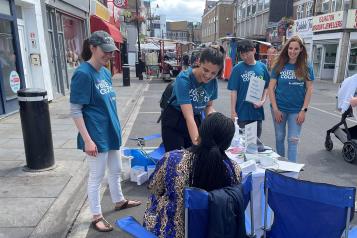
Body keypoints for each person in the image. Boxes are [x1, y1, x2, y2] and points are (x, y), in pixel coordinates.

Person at [69, 31, 141, 232]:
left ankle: (119, 201)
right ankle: (96, 215)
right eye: (106, 51)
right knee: (97, 176)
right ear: (93, 48)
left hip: (110, 131)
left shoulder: (105, 72)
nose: (109, 56)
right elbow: (76, 110)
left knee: (116, 169)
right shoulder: (83, 73)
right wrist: (87, 140)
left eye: (112, 52)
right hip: (95, 135)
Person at [144, 112, 242, 238]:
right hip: (215, 231)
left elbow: (154, 188)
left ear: (200, 134)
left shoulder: (172, 159)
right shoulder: (234, 170)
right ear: (227, 144)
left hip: (172, 232)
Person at [161, 46, 224, 152]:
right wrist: (199, 146)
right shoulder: (184, 79)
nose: (208, 76)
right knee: (177, 158)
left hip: (195, 118)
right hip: (176, 118)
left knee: (194, 160)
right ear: (199, 62)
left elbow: (208, 106)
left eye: (213, 73)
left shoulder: (213, 82)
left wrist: (214, 120)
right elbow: (188, 116)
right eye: (205, 70)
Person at [268, 35, 314, 162]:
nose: (292, 51)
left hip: (296, 111)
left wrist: (303, 110)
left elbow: (309, 89)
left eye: (296, 49)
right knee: (279, 137)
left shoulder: (306, 67)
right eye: (290, 48)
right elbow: (271, 88)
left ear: (301, 50)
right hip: (279, 109)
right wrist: (276, 110)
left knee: (293, 141)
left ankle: (292, 173)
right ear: (286, 48)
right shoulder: (279, 65)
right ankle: (281, 167)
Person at [227, 39, 270, 151]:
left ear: (254, 50)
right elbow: (234, 91)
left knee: (254, 146)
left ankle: (252, 165)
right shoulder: (237, 69)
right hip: (242, 113)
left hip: (257, 113)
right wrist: (233, 111)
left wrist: (262, 100)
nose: (245, 56)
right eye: (242, 54)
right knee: (243, 145)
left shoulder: (262, 67)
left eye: (247, 53)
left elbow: (266, 87)